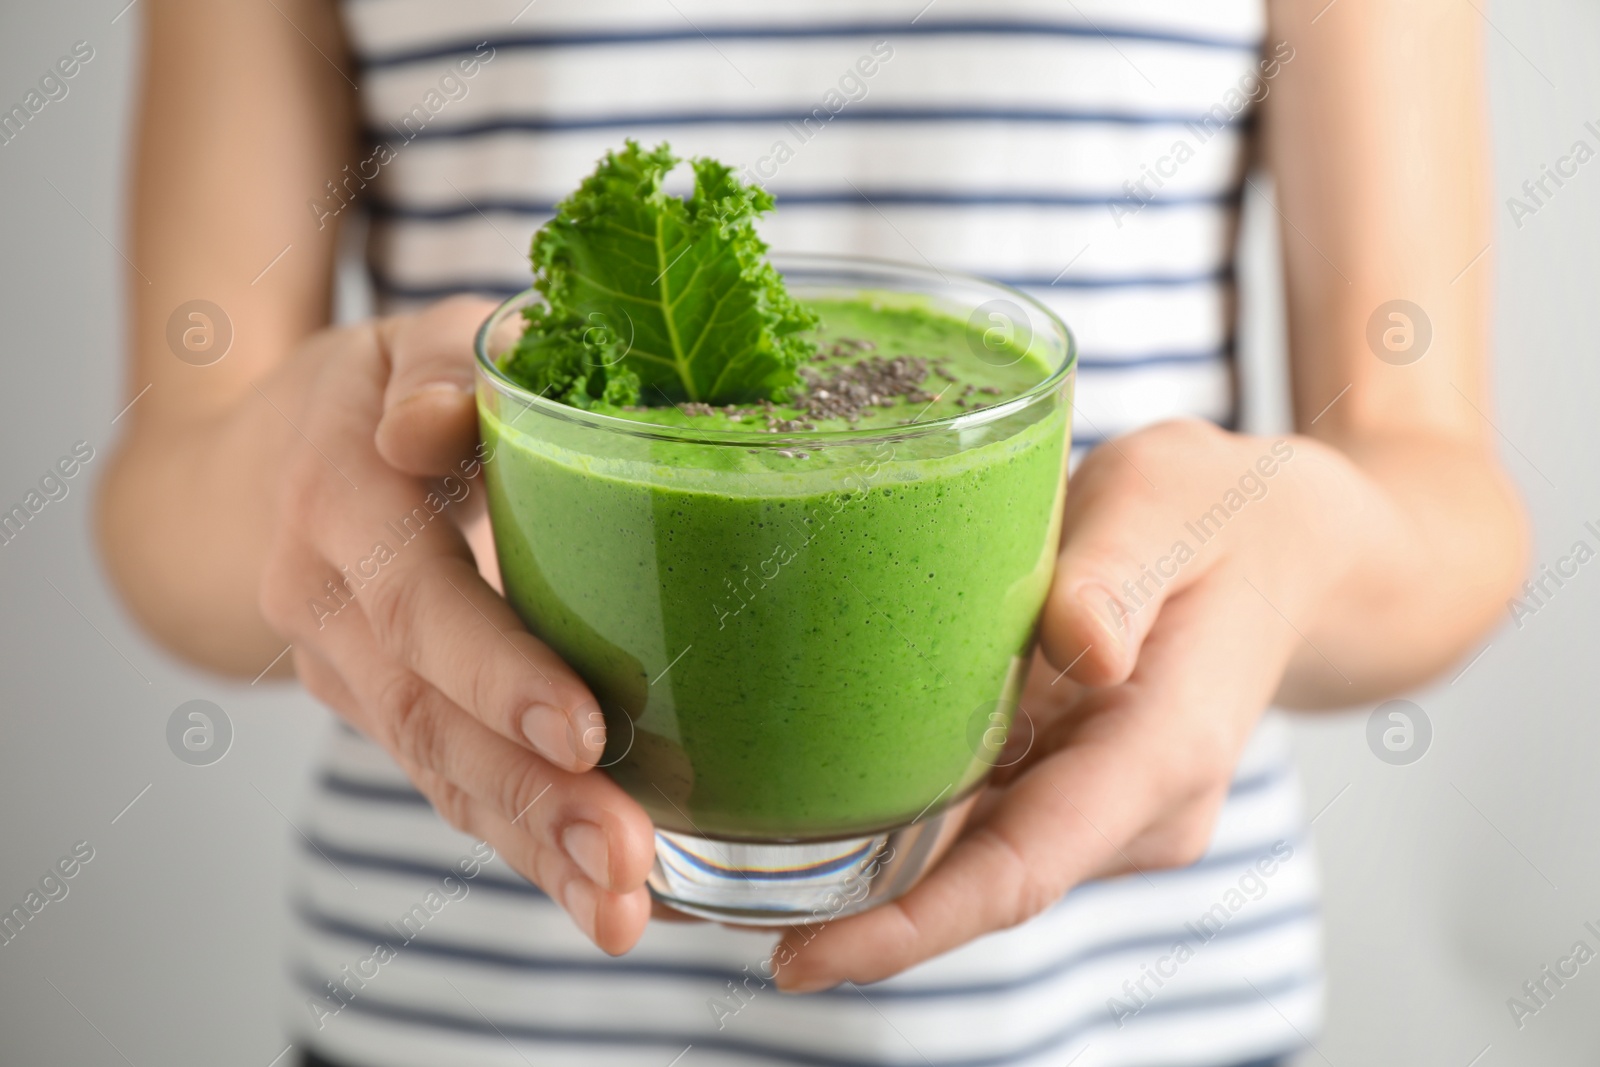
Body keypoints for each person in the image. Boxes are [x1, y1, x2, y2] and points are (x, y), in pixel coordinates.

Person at [98, 1, 1526, 1065]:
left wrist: (1290, 548)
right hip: (458, 1003)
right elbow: (166, 495)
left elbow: (1436, 488)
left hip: (1133, 1012)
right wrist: (295, 475)